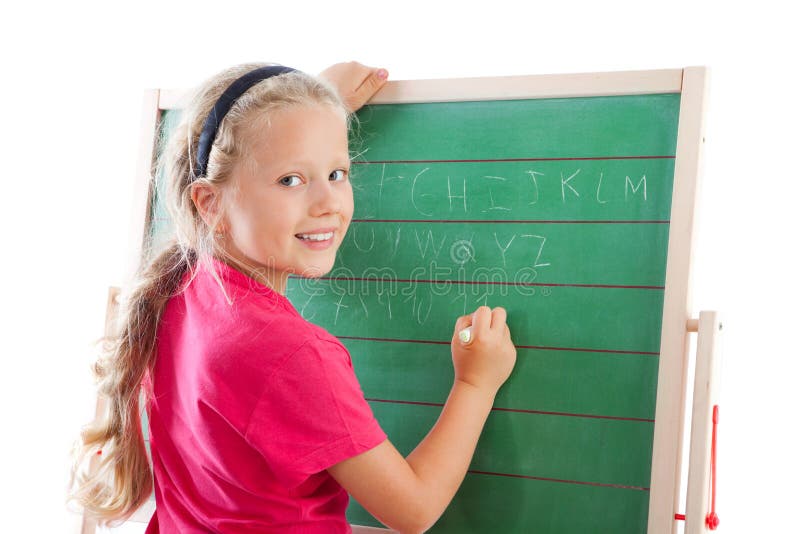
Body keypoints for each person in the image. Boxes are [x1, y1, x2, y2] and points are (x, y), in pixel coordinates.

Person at [70, 61, 517, 533]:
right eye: (291, 181)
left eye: (338, 172)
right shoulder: (294, 356)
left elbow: (244, 150)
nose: (328, 203)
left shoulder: (176, 291)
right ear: (210, 203)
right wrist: (475, 384)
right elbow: (413, 509)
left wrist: (313, 106)